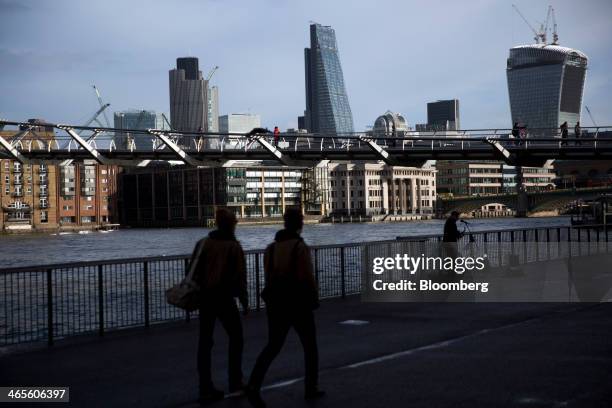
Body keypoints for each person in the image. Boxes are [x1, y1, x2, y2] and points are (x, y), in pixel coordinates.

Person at [247, 209, 324, 408]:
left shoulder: (270, 248)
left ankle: (254, 383)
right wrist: (314, 297)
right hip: (298, 303)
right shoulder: (299, 247)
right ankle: (310, 386)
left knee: (273, 345)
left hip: (276, 303)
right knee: (310, 345)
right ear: (300, 224)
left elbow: (268, 275)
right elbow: (306, 276)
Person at [191, 208, 249, 404]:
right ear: (231, 225)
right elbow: (240, 277)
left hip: (205, 298)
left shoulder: (203, 244)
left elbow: (192, 271)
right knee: (236, 337)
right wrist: (245, 300)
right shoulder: (233, 247)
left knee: (205, 342)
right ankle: (235, 381)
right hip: (224, 298)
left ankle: (204, 387)